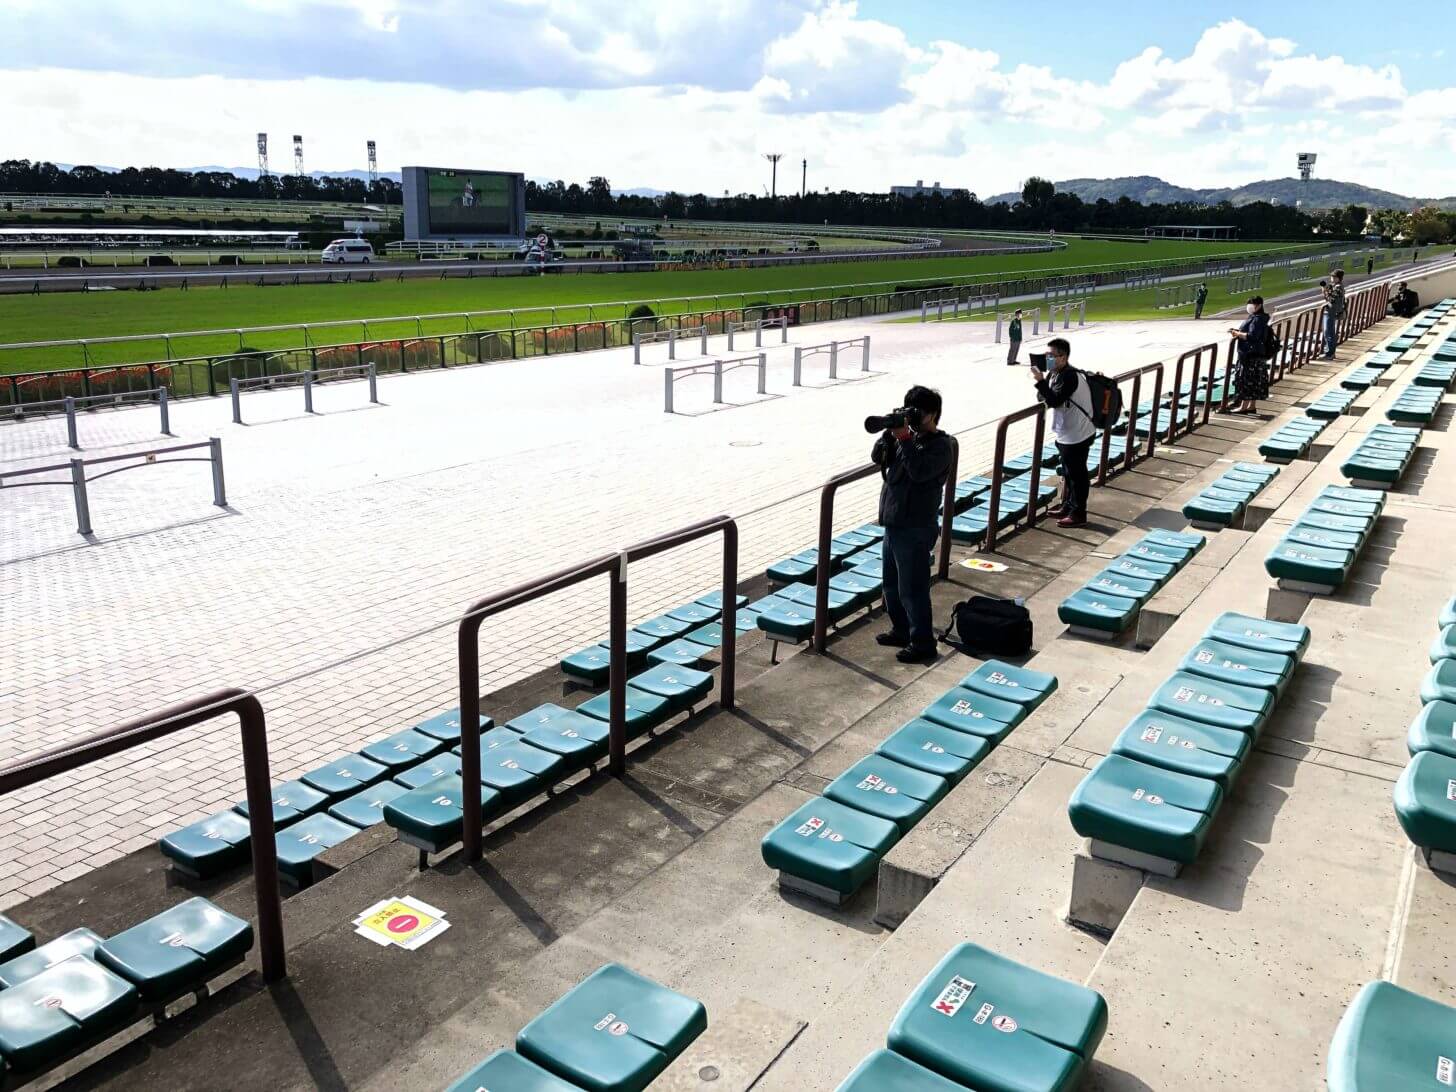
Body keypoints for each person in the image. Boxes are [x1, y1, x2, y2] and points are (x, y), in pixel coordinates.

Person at [871, 386, 954, 663]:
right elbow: (877, 459)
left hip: (917, 526)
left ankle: (923, 643)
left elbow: (919, 472)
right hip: (894, 523)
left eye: (919, 411)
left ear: (933, 414)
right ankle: (902, 629)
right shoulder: (904, 438)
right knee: (891, 586)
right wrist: (888, 435)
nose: (914, 417)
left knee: (913, 589)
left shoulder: (942, 445)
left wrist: (905, 438)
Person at [1030, 337, 1095, 529]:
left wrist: (1040, 381)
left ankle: (1079, 513)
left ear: (1063, 357)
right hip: (1067, 432)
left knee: (1077, 476)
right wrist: (1043, 382)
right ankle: (1068, 506)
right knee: (1068, 473)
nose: (1048, 359)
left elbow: (1054, 401)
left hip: (1078, 433)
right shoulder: (1055, 374)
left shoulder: (1069, 376)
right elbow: (1042, 397)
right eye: (1046, 355)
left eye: (1051, 355)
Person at [1225, 296, 1271, 415]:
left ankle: (1243, 406)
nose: (1249, 307)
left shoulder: (1257, 319)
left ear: (1259, 305)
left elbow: (1252, 336)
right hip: (1256, 354)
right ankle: (1251, 406)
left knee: (1246, 380)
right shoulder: (1259, 318)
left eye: (1252, 304)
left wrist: (1237, 333)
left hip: (1250, 355)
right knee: (1254, 380)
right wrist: (1238, 331)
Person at [1321, 269, 1346, 359]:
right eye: (1331, 276)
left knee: (1328, 332)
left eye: (1334, 277)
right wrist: (1326, 290)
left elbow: (1331, 299)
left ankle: (1330, 353)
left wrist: (1325, 291)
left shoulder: (1338, 287)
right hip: (1330, 311)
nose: (1332, 278)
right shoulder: (1334, 286)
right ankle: (1328, 352)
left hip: (1331, 311)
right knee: (1327, 332)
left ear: (1338, 278)